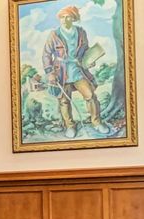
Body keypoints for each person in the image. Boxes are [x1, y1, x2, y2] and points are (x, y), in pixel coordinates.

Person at [42, 6, 109, 138]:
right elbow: (46, 55)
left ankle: (96, 122)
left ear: (73, 18)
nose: (64, 19)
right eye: (62, 17)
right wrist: (50, 73)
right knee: (64, 101)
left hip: (78, 71)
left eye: (68, 16)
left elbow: (86, 51)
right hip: (61, 72)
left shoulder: (81, 32)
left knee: (90, 96)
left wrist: (90, 60)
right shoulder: (54, 35)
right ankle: (70, 126)